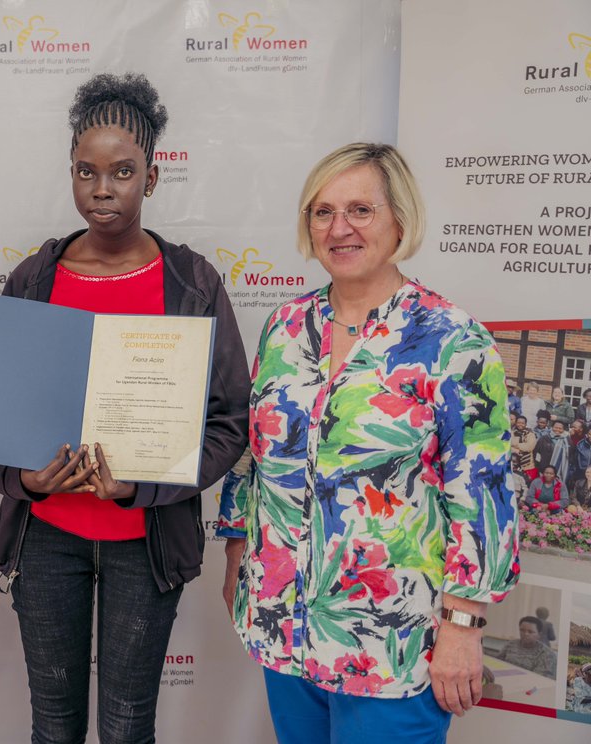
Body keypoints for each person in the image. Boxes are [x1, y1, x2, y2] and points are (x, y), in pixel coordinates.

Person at [217, 143, 519, 743]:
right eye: (322, 212)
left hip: (393, 641)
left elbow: (483, 488)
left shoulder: (451, 339)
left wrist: (463, 625)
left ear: (399, 219)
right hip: (285, 620)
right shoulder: (284, 326)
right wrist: (236, 553)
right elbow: (254, 455)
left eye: (360, 210)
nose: (339, 228)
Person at [0, 73, 250, 744]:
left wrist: (141, 486)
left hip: (145, 544)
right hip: (46, 541)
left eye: (123, 171)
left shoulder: (190, 283)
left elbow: (228, 424)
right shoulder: (34, 281)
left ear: (152, 177)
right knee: (54, 725)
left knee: (129, 728)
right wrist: (25, 482)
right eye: (87, 171)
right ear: (71, 174)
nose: (103, 188)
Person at [511, 415, 539, 483]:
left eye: (522, 423)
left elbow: (529, 447)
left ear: (526, 424)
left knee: (528, 484)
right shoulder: (511, 433)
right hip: (514, 465)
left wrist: (515, 444)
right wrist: (516, 450)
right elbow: (507, 445)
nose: (520, 424)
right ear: (516, 423)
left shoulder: (530, 434)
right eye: (518, 422)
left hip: (528, 465)